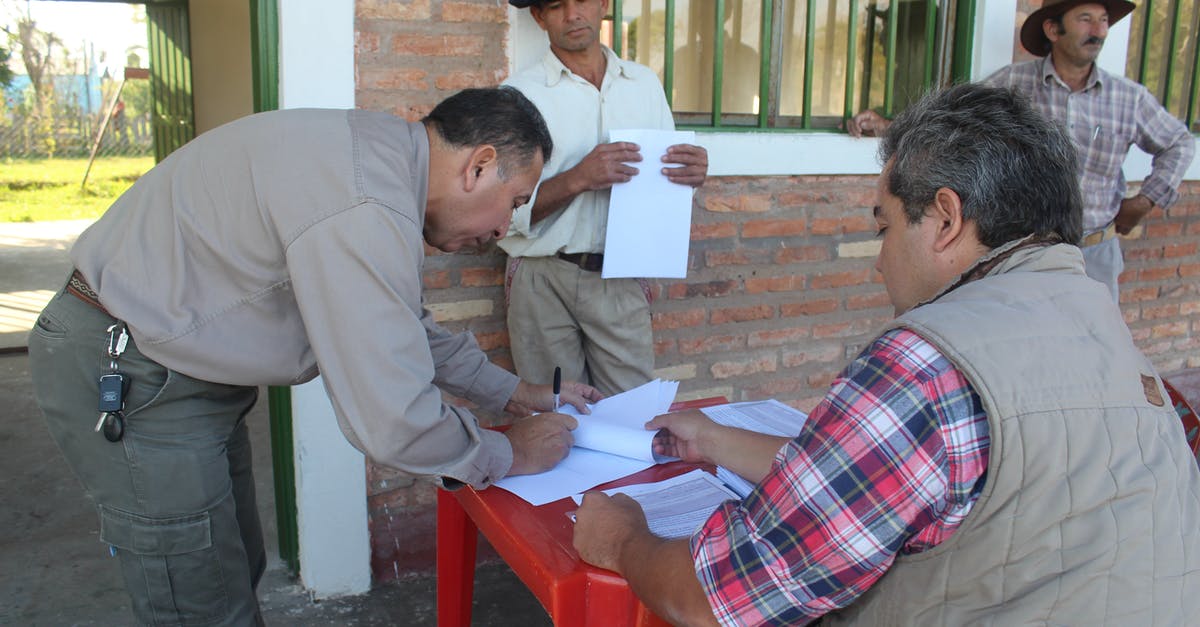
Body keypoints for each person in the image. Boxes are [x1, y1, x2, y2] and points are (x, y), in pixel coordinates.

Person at [573, 84, 1200, 625]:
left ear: (946, 219)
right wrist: (714, 441)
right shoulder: (1100, 324)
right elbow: (906, 476)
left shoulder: (927, 364)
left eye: (885, 226)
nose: (879, 259)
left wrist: (624, 537)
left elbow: (719, 598)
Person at [28, 87, 602, 626]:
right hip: (133, 372)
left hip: (177, 369)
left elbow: (397, 325)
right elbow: (394, 420)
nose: (504, 227)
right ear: (478, 166)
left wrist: (511, 393)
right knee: (199, 603)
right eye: (515, 202)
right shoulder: (363, 200)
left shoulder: (376, 162)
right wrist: (508, 452)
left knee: (230, 573)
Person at [847, 0, 1194, 303]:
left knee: (1086, 344)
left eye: (1103, 20)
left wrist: (1146, 200)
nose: (1099, 30)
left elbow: (1179, 142)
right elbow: (954, 127)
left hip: (1096, 252)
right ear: (1053, 29)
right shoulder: (1012, 85)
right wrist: (889, 126)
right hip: (1023, 255)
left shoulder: (1128, 98)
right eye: (1086, 18)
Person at [502, 0, 709, 395]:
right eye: (556, 5)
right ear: (538, 17)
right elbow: (501, 211)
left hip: (622, 274)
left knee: (633, 411)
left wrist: (691, 173)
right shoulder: (518, 97)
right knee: (555, 416)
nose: (572, 15)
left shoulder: (644, 85)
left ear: (604, 4)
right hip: (541, 275)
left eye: (582, 0)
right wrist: (578, 177)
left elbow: (665, 178)